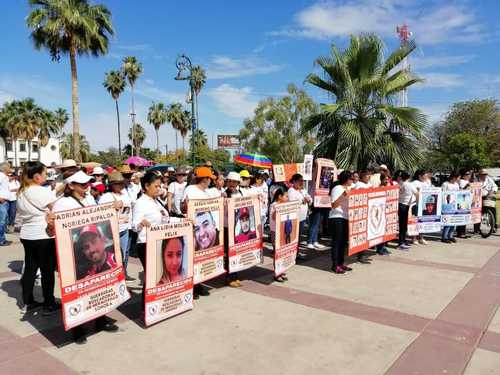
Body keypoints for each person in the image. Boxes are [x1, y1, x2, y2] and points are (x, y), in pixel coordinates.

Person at [48, 170, 119, 344]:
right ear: (70, 186)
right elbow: (52, 231)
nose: (87, 186)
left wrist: (112, 211)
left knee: (100, 287)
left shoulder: (88, 199)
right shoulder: (62, 204)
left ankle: (101, 320)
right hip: (75, 256)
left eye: (87, 183)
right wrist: (50, 223)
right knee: (77, 291)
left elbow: (98, 218)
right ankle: (77, 328)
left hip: (93, 249)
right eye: (82, 184)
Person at [16, 161, 59, 315]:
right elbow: (56, 207)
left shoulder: (21, 191)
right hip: (43, 235)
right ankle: (49, 303)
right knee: (47, 270)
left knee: (30, 268)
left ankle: (28, 302)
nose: (46, 176)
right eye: (45, 173)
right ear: (36, 176)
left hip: (27, 234)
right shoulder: (39, 191)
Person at [132, 172, 171, 306]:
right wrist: (140, 223)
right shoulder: (140, 203)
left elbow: (166, 218)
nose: (159, 189)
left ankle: (156, 301)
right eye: (156, 186)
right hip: (146, 243)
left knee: (158, 274)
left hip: (159, 242)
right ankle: (146, 306)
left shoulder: (156, 201)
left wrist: (184, 220)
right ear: (147, 186)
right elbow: (134, 226)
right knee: (151, 275)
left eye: (160, 186)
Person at [99, 171, 135, 282]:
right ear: (111, 184)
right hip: (111, 231)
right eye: (118, 183)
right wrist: (111, 206)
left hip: (125, 229)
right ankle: (110, 279)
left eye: (122, 183)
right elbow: (99, 212)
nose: (121, 185)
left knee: (122, 255)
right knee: (110, 256)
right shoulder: (106, 196)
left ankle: (120, 277)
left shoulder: (125, 194)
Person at [329, 170, 354, 274]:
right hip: (337, 217)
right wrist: (343, 195)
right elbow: (334, 205)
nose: (352, 180)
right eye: (351, 178)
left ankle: (341, 263)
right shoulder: (337, 188)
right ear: (346, 179)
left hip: (346, 217)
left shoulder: (349, 188)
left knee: (343, 242)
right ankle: (335, 265)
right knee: (337, 242)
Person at [224, 171, 244, 287]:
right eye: (230, 181)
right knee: (228, 251)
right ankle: (229, 276)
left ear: (237, 183)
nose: (232, 184)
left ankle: (235, 274)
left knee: (236, 251)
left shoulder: (240, 193)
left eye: (234, 182)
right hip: (227, 226)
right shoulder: (224, 194)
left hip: (238, 227)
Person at [287, 173, 311, 260]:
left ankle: (296, 252)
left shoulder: (303, 190)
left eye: (302, 181)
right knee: (293, 236)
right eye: (300, 181)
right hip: (295, 217)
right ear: (294, 181)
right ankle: (291, 253)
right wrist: (302, 200)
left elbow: (309, 198)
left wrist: (308, 199)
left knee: (299, 236)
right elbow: (292, 202)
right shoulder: (291, 191)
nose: (302, 183)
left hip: (302, 217)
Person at [270, 188, 289, 282]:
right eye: (286, 196)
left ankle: (282, 270)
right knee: (277, 253)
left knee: (283, 252)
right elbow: (273, 217)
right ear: (280, 197)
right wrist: (278, 208)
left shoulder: (285, 205)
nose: (288, 198)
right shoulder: (273, 205)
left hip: (284, 231)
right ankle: (277, 273)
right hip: (275, 231)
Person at [398, 171, 417, 250]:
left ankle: (403, 240)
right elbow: (417, 193)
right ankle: (401, 243)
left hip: (400, 204)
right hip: (405, 206)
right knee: (403, 226)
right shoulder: (410, 185)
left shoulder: (400, 184)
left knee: (402, 225)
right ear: (409, 177)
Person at [410, 170, 428, 245]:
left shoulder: (426, 183)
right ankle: (414, 238)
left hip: (424, 205)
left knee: (422, 221)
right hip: (416, 205)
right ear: (420, 176)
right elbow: (415, 193)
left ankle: (421, 237)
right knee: (415, 221)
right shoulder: (415, 183)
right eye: (425, 175)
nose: (426, 177)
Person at [441, 173, 460, 243]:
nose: (459, 179)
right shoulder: (445, 184)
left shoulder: (456, 185)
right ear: (454, 177)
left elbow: (458, 193)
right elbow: (443, 194)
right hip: (447, 205)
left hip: (455, 204)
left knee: (453, 221)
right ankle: (444, 237)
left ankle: (450, 236)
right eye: (458, 178)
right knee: (448, 221)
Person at [456, 169, 471, 238]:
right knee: (461, 216)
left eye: (469, 174)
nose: (468, 176)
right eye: (467, 174)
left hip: (466, 201)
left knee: (465, 217)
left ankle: (463, 232)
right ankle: (460, 232)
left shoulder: (467, 181)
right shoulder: (461, 181)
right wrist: (467, 186)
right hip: (461, 201)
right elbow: (462, 190)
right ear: (463, 175)